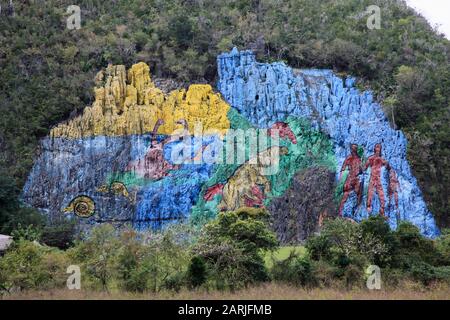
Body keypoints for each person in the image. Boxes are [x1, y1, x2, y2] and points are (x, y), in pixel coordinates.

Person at [364, 143, 389, 216]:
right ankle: (368, 207)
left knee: (381, 194)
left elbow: (387, 167)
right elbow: (365, 167)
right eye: (377, 147)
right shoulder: (371, 158)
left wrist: (387, 164)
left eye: (379, 147)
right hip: (372, 178)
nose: (378, 149)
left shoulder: (381, 159)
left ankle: (382, 210)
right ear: (374, 149)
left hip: (378, 178)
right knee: (370, 193)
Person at [338, 144, 363, 216]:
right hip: (351, 178)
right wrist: (341, 180)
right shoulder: (349, 158)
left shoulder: (359, 159)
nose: (353, 150)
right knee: (346, 194)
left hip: (356, 179)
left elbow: (361, 170)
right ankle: (340, 212)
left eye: (355, 148)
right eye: (353, 148)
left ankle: (355, 213)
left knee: (358, 194)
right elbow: (343, 169)